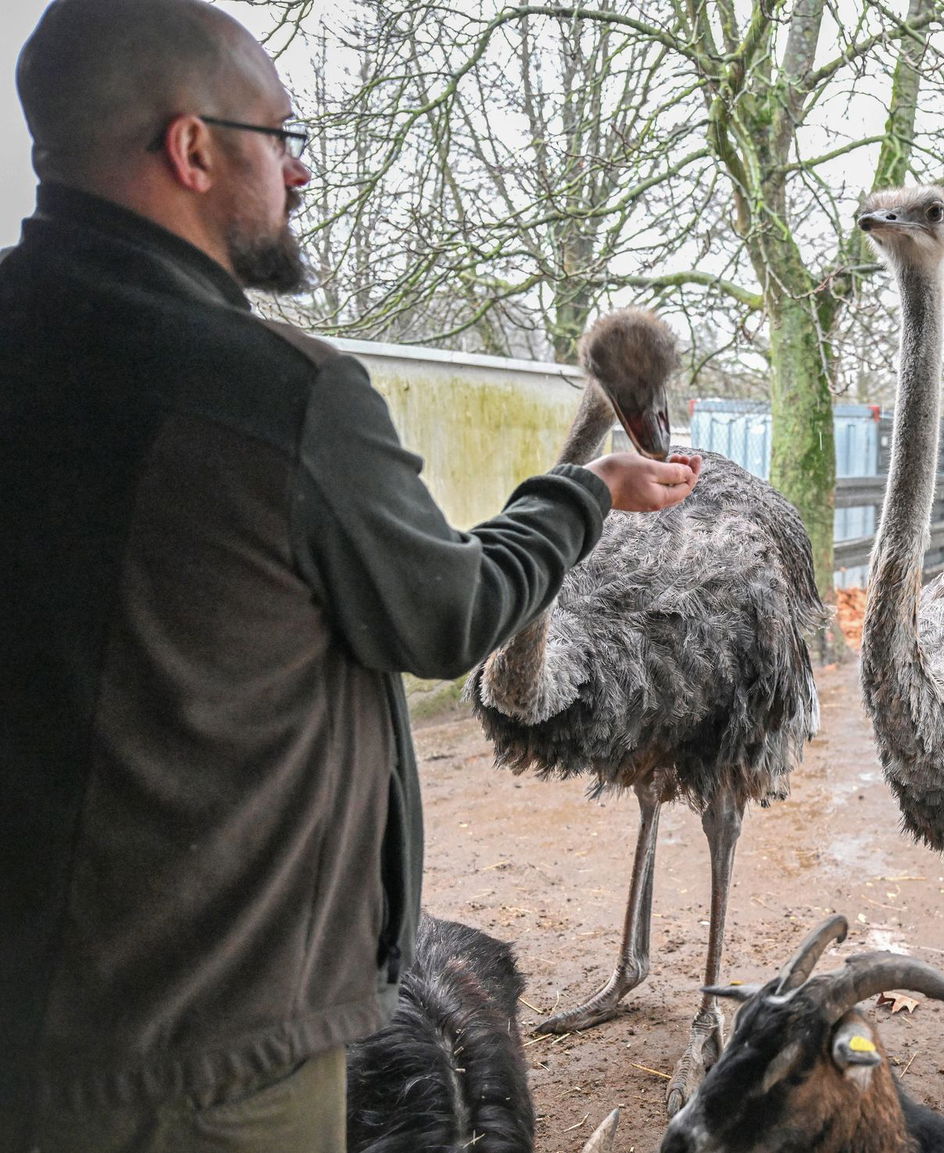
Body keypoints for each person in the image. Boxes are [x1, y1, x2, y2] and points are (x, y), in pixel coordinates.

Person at [0, 0, 701, 1148]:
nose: (303, 171)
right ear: (192, 148)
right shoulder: (276, 392)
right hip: (209, 1055)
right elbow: (446, 612)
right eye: (282, 136)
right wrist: (589, 494)